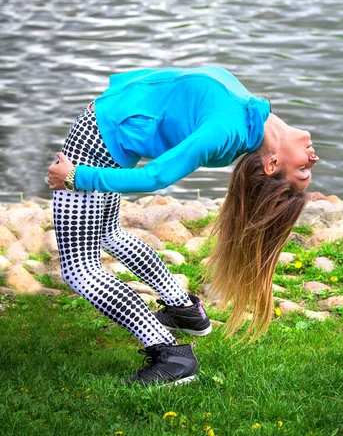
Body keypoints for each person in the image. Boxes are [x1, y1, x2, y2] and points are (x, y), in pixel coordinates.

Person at [47, 66, 319, 386]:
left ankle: (169, 352)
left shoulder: (227, 129)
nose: (313, 160)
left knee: (78, 269)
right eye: (306, 168)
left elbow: (156, 177)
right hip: (112, 128)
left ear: (273, 164)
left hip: (96, 138)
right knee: (108, 234)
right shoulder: (252, 115)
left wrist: (76, 177)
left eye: (302, 169)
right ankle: (184, 310)